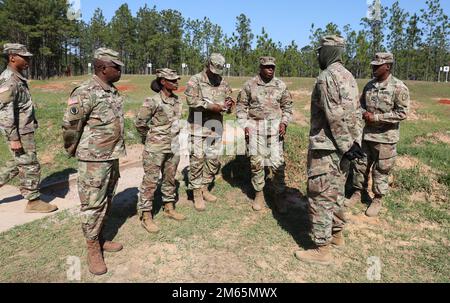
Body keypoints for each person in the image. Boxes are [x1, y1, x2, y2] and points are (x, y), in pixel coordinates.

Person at [295, 36, 364, 264]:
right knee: (335, 192)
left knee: (320, 195)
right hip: (346, 148)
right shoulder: (349, 76)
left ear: (329, 51)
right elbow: (356, 114)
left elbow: (333, 115)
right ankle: (337, 234)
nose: (317, 56)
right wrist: (355, 144)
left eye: (320, 51)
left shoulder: (326, 77)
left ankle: (321, 250)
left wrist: (346, 144)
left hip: (327, 147)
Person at [62, 48, 126, 276]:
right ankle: (92, 248)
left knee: (107, 199)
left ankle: (100, 237)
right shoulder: (85, 91)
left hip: (111, 156)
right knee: (92, 204)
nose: (119, 70)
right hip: (92, 160)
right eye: (115, 67)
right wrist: (74, 150)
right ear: (102, 68)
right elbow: (71, 126)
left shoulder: (112, 91)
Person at [347, 52, 410, 217]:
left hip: (386, 138)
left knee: (381, 170)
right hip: (366, 136)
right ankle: (357, 193)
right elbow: (359, 106)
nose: (373, 67)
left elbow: (402, 113)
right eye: (373, 65)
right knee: (360, 165)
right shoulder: (369, 86)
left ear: (387, 66)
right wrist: (363, 113)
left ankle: (377, 199)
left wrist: (376, 117)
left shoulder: (398, 87)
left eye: (377, 65)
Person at [0, 43, 58, 213]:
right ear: (12, 57)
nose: (28, 60)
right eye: (24, 57)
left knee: (17, 162)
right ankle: (33, 201)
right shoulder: (9, 80)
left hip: (23, 130)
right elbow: (5, 112)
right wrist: (14, 138)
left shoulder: (17, 77)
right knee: (30, 165)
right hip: (18, 132)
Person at [236, 56, 293, 213]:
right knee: (256, 162)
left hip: (275, 131)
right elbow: (241, 106)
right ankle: (259, 193)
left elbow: (287, 106)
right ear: (260, 68)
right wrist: (245, 125)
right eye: (267, 67)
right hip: (256, 130)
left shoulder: (280, 85)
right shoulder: (249, 85)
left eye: (272, 67)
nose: (270, 69)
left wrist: (284, 122)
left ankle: (279, 195)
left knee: (277, 164)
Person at [135, 68, 186, 234]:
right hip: (155, 148)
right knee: (150, 181)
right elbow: (140, 123)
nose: (176, 82)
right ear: (163, 82)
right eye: (172, 80)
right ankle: (146, 215)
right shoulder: (152, 101)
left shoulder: (177, 101)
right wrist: (150, 139)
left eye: (177, 79)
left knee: (170, 177)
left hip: (173, 146)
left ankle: (169, 207)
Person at [184, 53, 234, 211]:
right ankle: (197, 193)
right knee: (197, 161)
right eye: (213, 70)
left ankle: (205, 187)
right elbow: (191, 100)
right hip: (198, 127)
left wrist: (229, 104)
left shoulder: (223, 83)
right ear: (208, 65)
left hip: (215, 128)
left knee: (212, 161)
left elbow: (229, 102)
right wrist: (211, 106)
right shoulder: (196, 80)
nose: (215, 74)